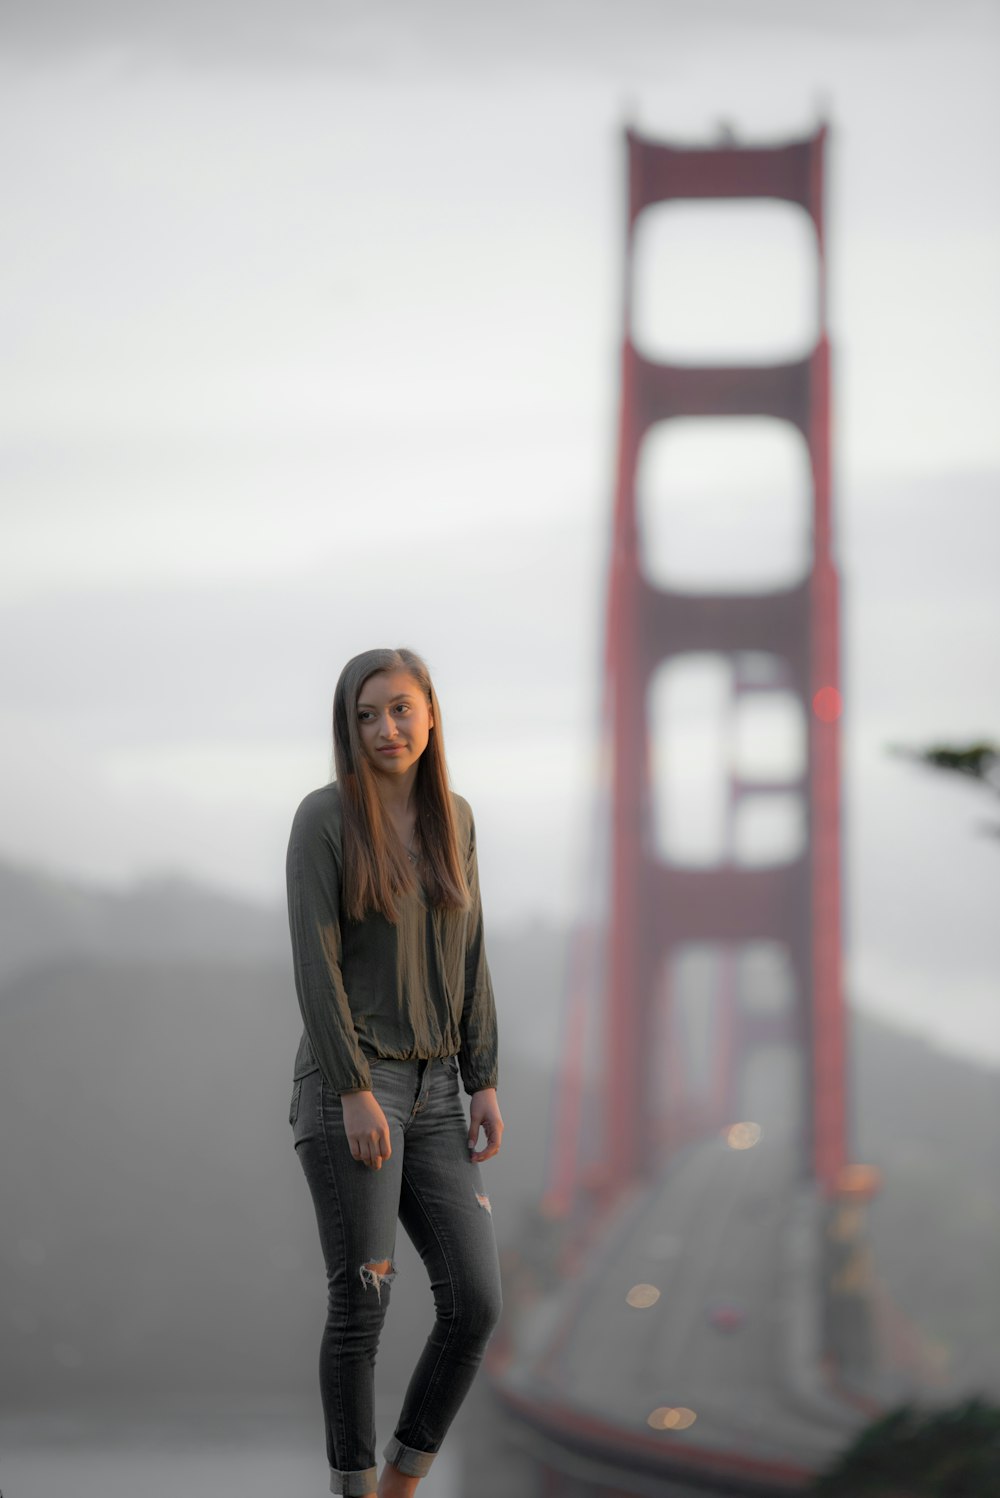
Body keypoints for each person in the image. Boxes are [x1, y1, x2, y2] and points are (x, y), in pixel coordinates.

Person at [285, 646, 504, 1498]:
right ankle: (353, 1488)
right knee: (363, 1301)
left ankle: (402, 1484)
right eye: (368, 714)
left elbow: (472, 952)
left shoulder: (457, 816)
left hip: (442, 1090)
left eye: (402, 708)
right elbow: (315, 962)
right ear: (348, 727)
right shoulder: (326, 818)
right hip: (356, 1083)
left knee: (476, 1304)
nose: (387, 728)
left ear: (432, 714)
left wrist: (483, 1075)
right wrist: (350, 1091)